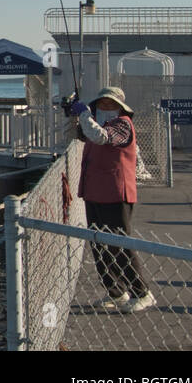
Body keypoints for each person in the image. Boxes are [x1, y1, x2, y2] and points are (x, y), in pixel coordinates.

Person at [70, 87, 156, 313]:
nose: (106, 109)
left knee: (120, 245)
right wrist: (76, 114)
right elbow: (84, 133)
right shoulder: (99, 124)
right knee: (99, 245)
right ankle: (116, 292)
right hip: (94, 192)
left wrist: (84, 114)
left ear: (120, 107)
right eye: (102, 104)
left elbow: (100, 137)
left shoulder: (123, 125)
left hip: (116, 193)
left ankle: (142, 292)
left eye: (111, 105)